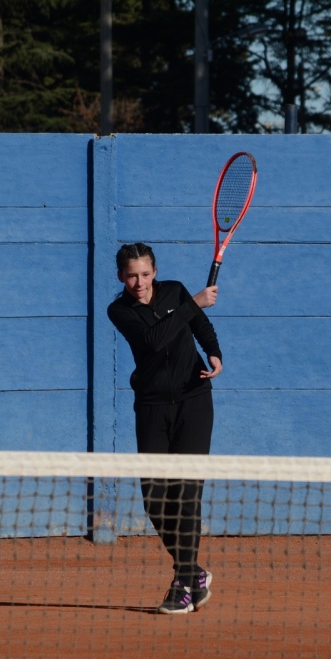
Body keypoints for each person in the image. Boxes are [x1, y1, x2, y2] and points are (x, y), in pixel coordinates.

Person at [107, 242, 223, 615]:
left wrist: (214, 352)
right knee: (155, 498)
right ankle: (193, 572)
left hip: (194, 402)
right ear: (121, 277)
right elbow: (154, 341)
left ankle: (183, 583)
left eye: (144, 274)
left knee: (187, 494)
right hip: (152, 409)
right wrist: (194, 302)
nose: (138, 282)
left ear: (154, 272)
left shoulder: (174, 290)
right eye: (130, 276)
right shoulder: (120, 311)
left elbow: (199, 325)